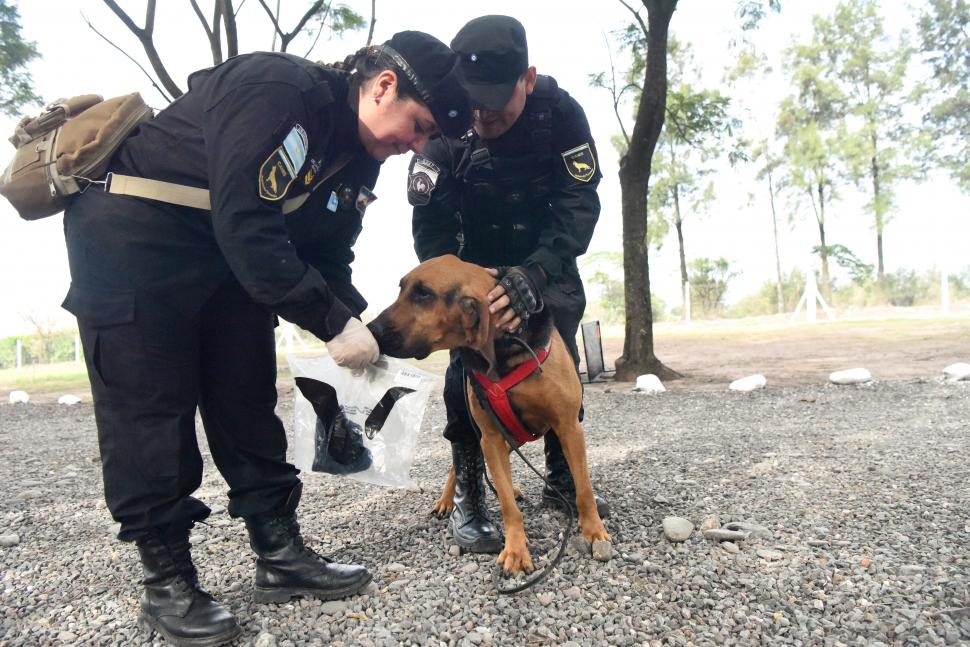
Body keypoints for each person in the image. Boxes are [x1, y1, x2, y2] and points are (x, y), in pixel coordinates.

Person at [61, 32, 469, 646]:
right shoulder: (278, 92)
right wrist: (329, 322)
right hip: (134, 243)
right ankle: (167, 580)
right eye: (419, 126)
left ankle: (279, 552)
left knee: (246, 397)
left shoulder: (356, 158)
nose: (414, 146)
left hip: (229, 260)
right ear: (384, 86)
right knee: (150, 413)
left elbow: (326, 255)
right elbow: (248, 220)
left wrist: (359, 326)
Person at [408, 15, 608, 555]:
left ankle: (562, 479)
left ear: (528, 79)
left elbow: (578, 202)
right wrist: (468, 289)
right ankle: (471, 492)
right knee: (464, 377)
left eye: (496, 100)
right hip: (472, 275)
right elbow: (431, 231)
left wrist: (535, 274)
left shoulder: (559, 114)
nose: (482, 114)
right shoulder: (443, 128)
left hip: (546, 262)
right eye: (473, 102)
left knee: (559, 365)